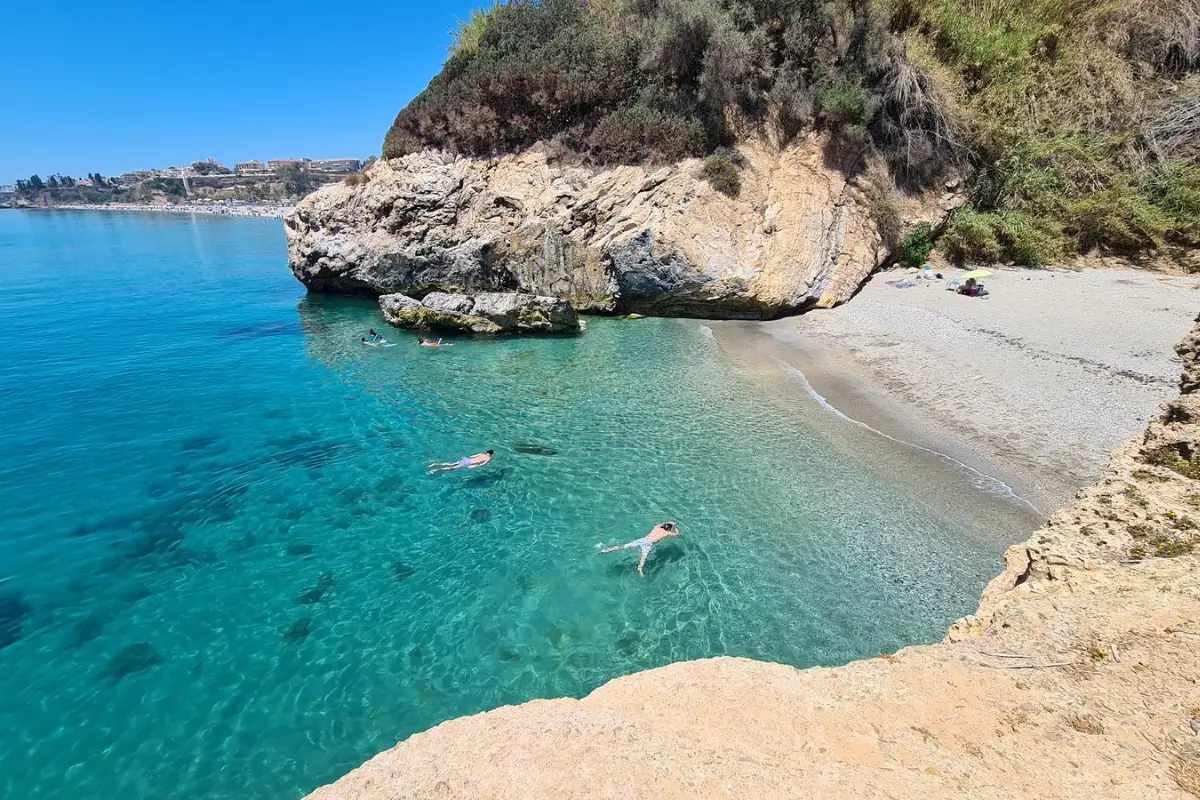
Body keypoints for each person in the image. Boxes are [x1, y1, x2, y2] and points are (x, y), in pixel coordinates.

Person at [600, 521, 681, 577]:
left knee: (624, 546)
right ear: (669, 529)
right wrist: (676, 527)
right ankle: (640, 569)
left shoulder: (657, 527)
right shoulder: (667, 532)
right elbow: (677, 534)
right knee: (643, 558)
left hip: (643, 540)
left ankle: (607, 550)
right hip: (648, 544)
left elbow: (660, 524)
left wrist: (669, 523)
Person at [429, 450, 494, 473]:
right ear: (491, 454)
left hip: (466, 459)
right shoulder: (488, 458)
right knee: (452, 468)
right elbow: (482, 464)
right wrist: (473, 466)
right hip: (469, 463)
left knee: (451, 464)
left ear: (487, 452)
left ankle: (435, 464)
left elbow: (472, 456)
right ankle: (435, 470)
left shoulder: (481, 453)